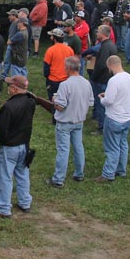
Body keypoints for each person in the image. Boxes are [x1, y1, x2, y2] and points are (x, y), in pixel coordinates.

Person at [0, 74, 36, 217]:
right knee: (23, 175)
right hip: (24, 145)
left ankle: (4, 208)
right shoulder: (30, 102)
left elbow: (1, 129)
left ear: (15, 89)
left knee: (5, 177)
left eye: (9, 86)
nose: (8, 88)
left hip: (9, 147)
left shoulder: (9, 106)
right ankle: (25, 202)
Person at [47, 56, 92, 186]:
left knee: (63, 150)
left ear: (68, 68)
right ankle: (79, 174)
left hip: (65, 122)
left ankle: (58, 179)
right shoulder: (86, 83)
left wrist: (55, 100)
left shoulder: (65, 85)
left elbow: (61, 107)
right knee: (78, 147)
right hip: (79, 121)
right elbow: (90, 102)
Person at [97, 55, 130, 181]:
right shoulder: (129, 77)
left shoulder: (113, 80)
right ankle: (121, 170)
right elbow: (123, 93)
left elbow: (109, 101)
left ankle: (108, 174)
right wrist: (108, 94)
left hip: (114, 118)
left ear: (110, 66)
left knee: (112, 147)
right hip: (127, 117)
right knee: (123, 144)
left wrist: (102, 99)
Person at [42, 28, 74, 98]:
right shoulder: (69, 49)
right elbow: (73, 65)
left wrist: (47, 79)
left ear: (54, 38)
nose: (50, 38)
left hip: (53, 81)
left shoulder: (50, 50)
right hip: (67, 80)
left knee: (53, 100)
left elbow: (46, 67)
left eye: (51, 36)